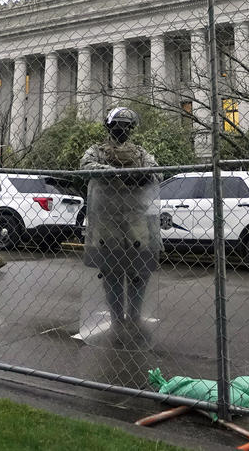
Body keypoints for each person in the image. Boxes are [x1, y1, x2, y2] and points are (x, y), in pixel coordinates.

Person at [80, 107, 162, 341]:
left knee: (139, 270)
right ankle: (118, 318)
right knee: (112, 270)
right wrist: (115, 173)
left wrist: (143, 174)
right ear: (109, 126)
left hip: (135, 216)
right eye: (118, 125)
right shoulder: (97, 150)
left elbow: (158, 172)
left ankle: (134, 315)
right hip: (107, 218)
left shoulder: (140, 153)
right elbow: (85, 166)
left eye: (126, 126)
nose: (122, 130)